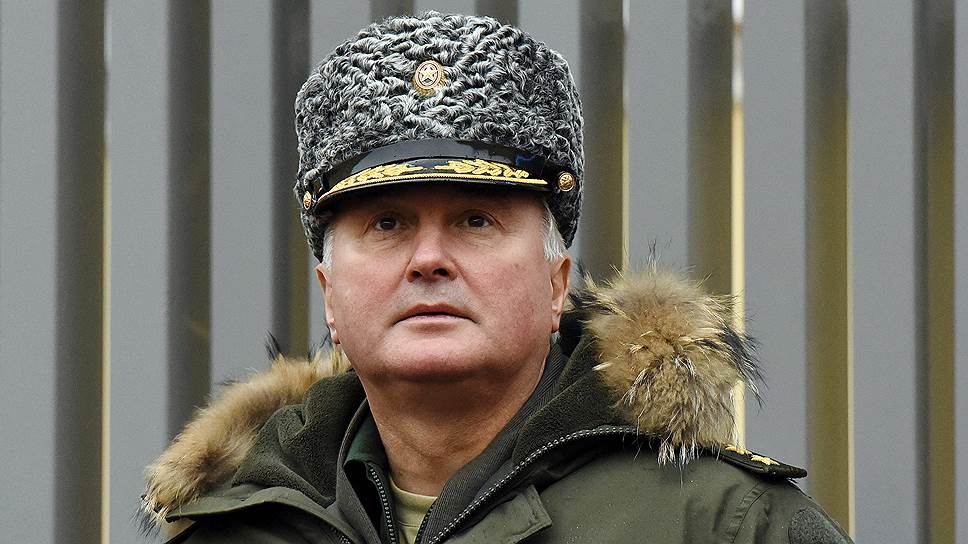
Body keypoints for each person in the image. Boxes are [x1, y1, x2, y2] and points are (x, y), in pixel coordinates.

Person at [142, 12, 852, 544]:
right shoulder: (234, 529)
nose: (428, 258)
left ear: (556, 282)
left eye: (475, 220)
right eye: (386, 223)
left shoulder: (725, 525)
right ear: (330, 293)